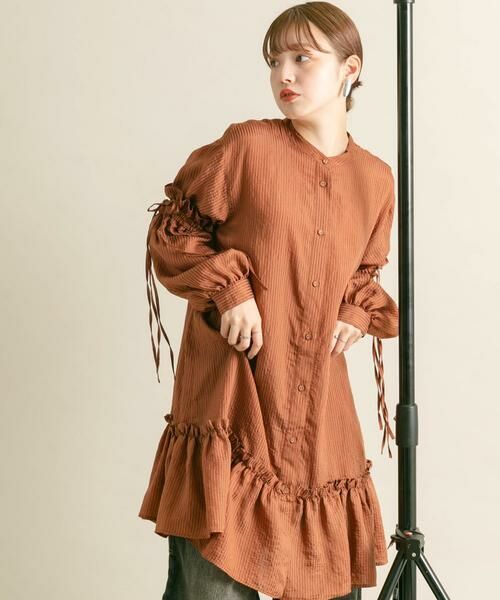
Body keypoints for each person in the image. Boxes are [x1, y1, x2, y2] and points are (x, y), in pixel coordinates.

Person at [138, 2, 399, 599]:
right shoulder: (246, 146)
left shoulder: (376, 178)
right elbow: (174, 230)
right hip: (234, 403)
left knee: (327, 586)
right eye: (274, 60)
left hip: (319, 417)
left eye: (302, 58)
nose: (284, 73)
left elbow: (364, 268)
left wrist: (355, 311)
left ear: (350, 68)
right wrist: (231, 292)